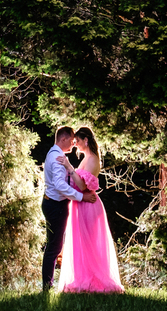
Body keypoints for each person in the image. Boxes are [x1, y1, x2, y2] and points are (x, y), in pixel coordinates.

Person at [55, 126, 125, 293]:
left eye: (77, 141)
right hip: (80, 204)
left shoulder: (93, 159)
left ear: (86, 140)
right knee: (80, 243)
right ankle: (81, 279)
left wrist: (68, 167)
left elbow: (82, 185)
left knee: (89, 244)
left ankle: (95, 282)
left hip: (88, 205)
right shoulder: (86, 158)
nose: (76, 145)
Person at [41, 125, 96, 292]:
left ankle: (47, 285)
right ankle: (46, 287)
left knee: (54, 246)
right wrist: (82, 196)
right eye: (71, 141)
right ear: (63, 139)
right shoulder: (57, 157)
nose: (73, 145)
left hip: (54, 204)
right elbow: (59, 185)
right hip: (55, 205)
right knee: (54, 247)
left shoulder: (55, 154)